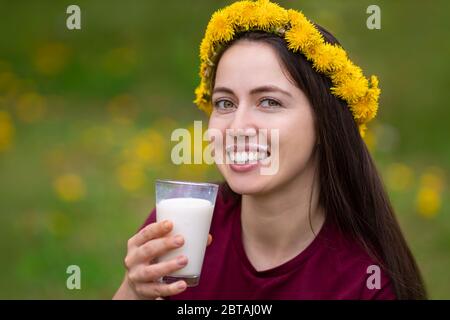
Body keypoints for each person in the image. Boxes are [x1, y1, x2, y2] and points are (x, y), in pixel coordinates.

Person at [113, 0, 426, 300]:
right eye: (225, 103)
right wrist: (133, 290)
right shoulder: (179, 229)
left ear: (324, 123)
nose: (237, 127)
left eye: (269, 102)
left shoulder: (365, 283)